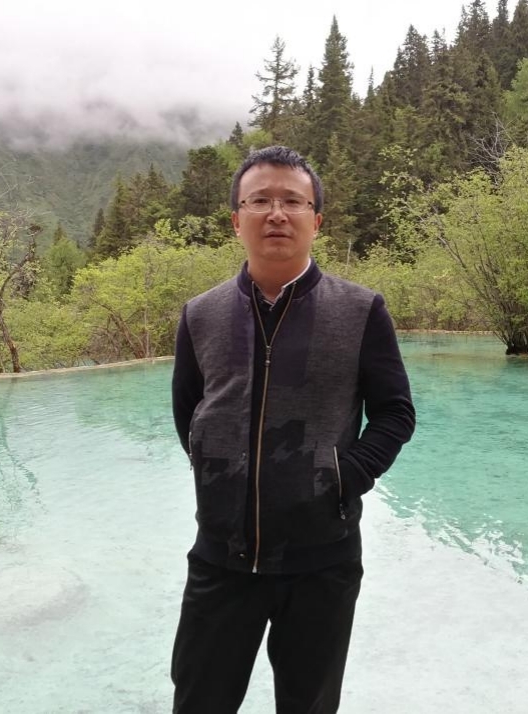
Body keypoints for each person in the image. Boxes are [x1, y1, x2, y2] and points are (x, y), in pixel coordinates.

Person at [171, 145, 415, 714]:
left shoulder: (360, 310)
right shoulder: (201, 314)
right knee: (199, 700)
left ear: (316, 220)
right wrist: (218, 474)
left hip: (321, 562)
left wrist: (341, 477)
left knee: (309, 705)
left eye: (292, 201)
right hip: (220, 558)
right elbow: (189, 411)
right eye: (259, 201)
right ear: (237, 220)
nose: (276, 213)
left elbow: (395, 413)